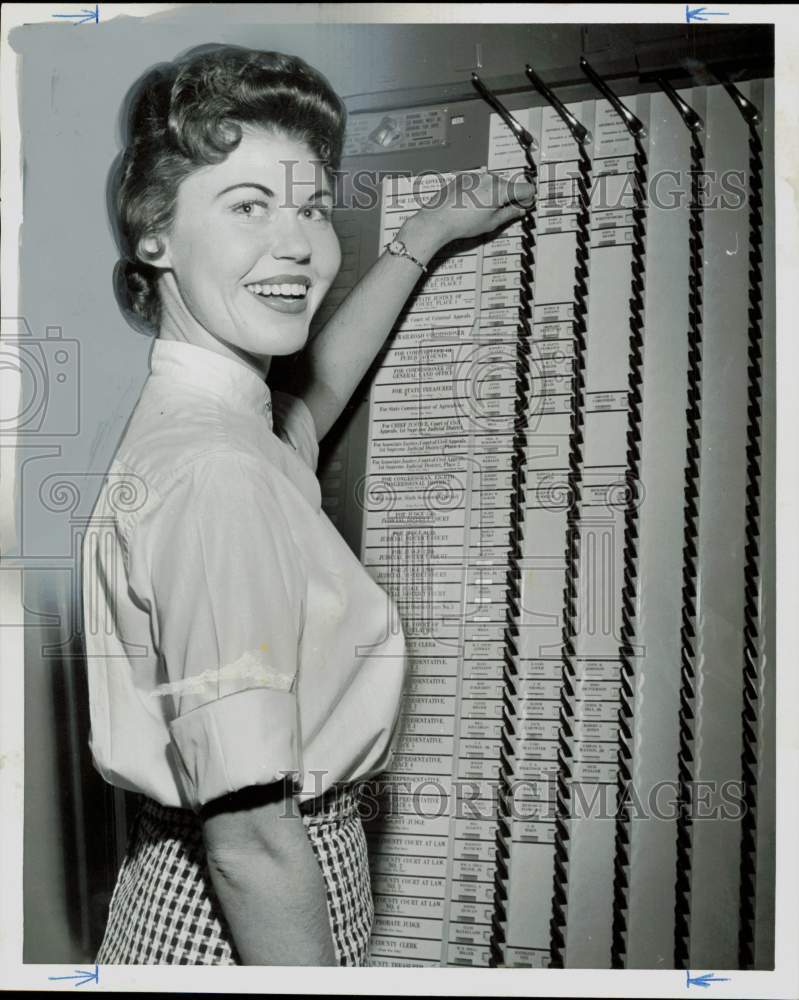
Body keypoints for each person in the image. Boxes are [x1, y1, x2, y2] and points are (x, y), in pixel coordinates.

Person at [81, 43, 534, 967]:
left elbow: (309, 410)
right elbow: (249, 842)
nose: (297, 243)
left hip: (244, 881)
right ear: (154, 232)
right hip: (239, 908)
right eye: (247, 206)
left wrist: (424, 238)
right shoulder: (215, 476)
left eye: (312, 207)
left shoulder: (221, 423)